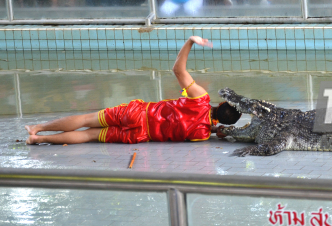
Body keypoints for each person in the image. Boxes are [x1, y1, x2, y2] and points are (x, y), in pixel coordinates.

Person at [26, 36, 242, 145]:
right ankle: (38, 140)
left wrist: (190, 42)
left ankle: (39, 128)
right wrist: (217, 131)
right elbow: (203, 128)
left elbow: (178, 69)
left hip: (137, 113)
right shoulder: (202, 135)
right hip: (140, 134)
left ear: (221, 103)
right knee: (90, 135)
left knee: (86, 119)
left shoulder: (200, 98)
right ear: (222, 122)